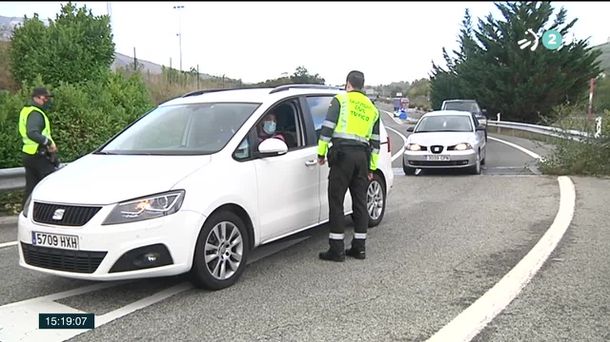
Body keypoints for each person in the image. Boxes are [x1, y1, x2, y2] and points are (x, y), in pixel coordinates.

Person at [317, 70, 380, 262]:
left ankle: (337, 250)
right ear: (362, 85)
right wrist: (371, 169)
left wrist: (321, 153)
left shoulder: (340, 100)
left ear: (348, 84)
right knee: (360, 203)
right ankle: (359, 248)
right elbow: (376, 142)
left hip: (343, 156)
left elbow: (327, 128)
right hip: (362, 158)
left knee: (336, 202)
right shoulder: (372, 108)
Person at [18, 87, 59, 209]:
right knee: (49, 187)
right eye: (45, 98)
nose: (47, 100)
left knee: (31, 188)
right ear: (36, 98)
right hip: (40, 156)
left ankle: (25, 212)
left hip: (29, 155)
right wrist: (49, 143)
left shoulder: (27, 111)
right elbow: (32, 133)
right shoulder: (36, 114)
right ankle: (49, 214)